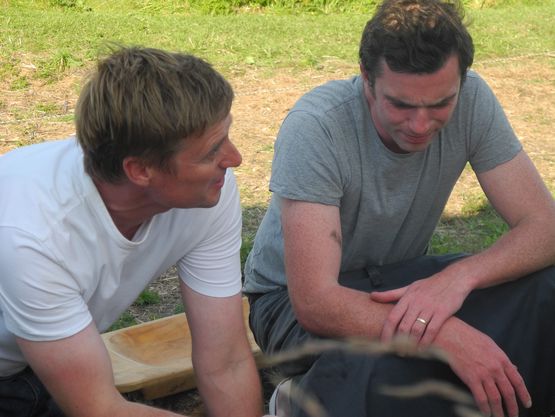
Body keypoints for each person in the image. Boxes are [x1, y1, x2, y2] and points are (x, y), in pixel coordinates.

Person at [243, 1, 555, 416]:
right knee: (408, 355)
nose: (421, 124)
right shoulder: (317, 125)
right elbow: (316, 302)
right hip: (288, 305)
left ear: (461, 80)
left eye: (441, 103)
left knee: (545, 287)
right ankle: (298, 401)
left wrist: (458, 279)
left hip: (397, 283)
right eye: (402, 105)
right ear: (366, 78)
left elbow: (545, 226)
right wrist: (444, 334)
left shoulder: (473, 98)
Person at [0, 46, 265, 417]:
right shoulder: (32, 232)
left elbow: (226, 361)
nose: (235, 159)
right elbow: (99, 409)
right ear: (140, 171)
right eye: (211, 152)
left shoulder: (211, 191)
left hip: (48, 358)